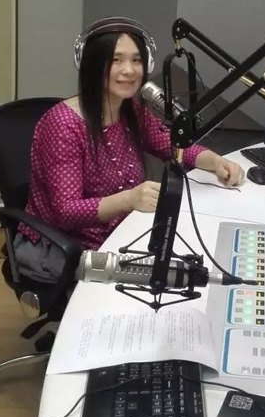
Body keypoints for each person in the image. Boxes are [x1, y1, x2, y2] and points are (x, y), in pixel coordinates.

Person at [14, 17, 244, 283]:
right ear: (91, 65)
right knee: (171, 280)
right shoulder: (64, 124)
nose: (129, 70)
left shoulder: (129, 110)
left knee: (193, 263)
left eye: (136, 60)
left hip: (118, 235)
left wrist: (214, 162)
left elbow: (171, 144)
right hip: (64, 249)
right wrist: (129, 200)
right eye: (116, 60)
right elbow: (65, 212)